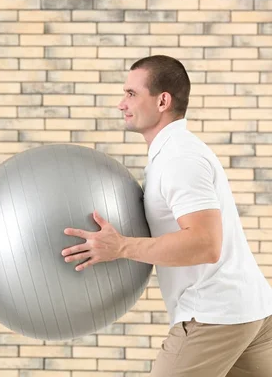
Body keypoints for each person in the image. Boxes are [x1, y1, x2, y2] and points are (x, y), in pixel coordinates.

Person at [61, 55, 272, 376]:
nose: (121, 103)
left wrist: (120, 247)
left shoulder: (179, 157)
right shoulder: (174, 152)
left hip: (214, 315)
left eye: (132, 94)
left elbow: (204, 243)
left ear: (162, 101)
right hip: (249, 311)